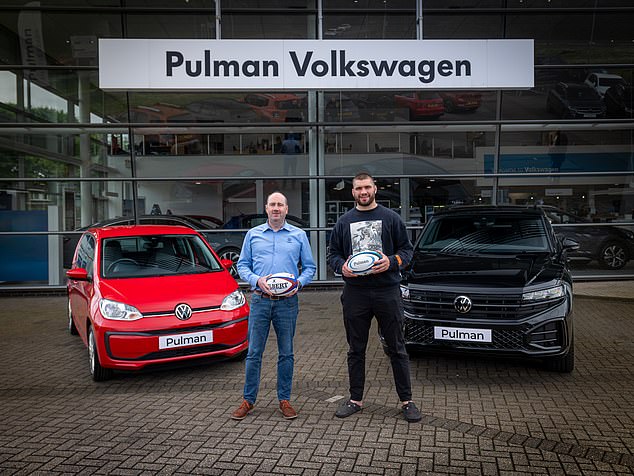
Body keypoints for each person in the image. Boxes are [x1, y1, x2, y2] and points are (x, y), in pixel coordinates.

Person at [327, 172, 422, 423]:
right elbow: (333, 255)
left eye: (367, 187)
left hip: (387, 291)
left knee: (397, 348)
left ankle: (407, 401)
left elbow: (407, 251)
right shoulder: (344, 222)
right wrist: (341, 267)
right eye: (358, 188)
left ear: (375, 188)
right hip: (355, 293)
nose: (363, 192)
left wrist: (392, 262)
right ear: (353, 192)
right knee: (356, 349)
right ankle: (355, 399)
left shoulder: (391, 219)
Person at [231, 192, 316, 421]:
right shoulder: (253, 235)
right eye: (272, 205)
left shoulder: (298, 235)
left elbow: (310, 268)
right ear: (266, 209)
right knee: (254, 353)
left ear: (286, 209)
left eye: (280, 204)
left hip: (287, 303)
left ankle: (284, 400)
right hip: (259, 300)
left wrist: (298, 283)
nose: (276, 208)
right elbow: (243, 265)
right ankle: (248, 400)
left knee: (286, 353)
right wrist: (256, 280)